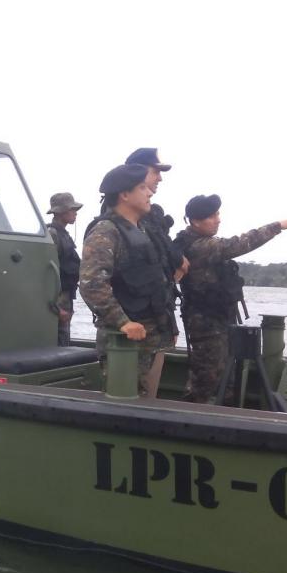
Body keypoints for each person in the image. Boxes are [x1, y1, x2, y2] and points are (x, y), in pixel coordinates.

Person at [174, 194, 287, 403]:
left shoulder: (200, 242)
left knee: (225, 376)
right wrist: (279, 225)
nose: (218, 219)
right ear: (195, 221)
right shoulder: (199, 246)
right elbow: (241, 243)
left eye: (218, 214)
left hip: (219, 320)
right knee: (206, 379)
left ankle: (221, 416)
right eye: (212, 216)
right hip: (206, 325)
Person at [79, 163, 173, 397]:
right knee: (123, 400)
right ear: (124, 195)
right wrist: (123, 322)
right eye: (142, 188)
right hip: (124, 342)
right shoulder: (106, 231)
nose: (150, 192)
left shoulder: (142, 231)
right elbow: (91, 284)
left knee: (141, 399)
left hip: (147, 339)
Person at [125, 148, 189, 342]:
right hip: (136, 316)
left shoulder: (149, 213)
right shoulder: (124, 215)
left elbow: (162, 245)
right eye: (155, 172)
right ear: (138, 171)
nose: (160, 178)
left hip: (158, 310)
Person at [47, 192, 83, 346]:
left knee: (63, 337)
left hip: (65, 296)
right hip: (57, 298)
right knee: (59, 339)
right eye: (72, 209)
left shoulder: (62, 234)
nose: (75, 213)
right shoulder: (52, 234)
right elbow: (47, 273)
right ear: (61, 212)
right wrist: (56, 308)